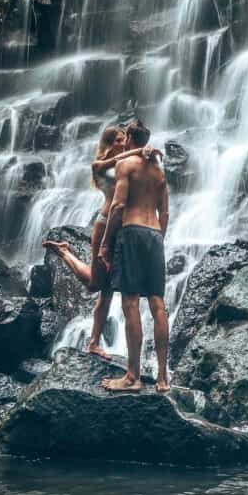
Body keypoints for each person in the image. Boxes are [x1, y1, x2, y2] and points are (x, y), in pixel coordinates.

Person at [42, 125, 158, 357]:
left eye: (124, 138)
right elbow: (109, 168)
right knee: (94, 284)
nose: (122, 142)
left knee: (106, 290)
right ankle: (65, 252)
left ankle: (94, 342)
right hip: (104, 225)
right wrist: (141, 150)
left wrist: (145, 153)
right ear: (108, 143)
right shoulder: (101, 166)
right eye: (117, 139)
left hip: (125, 229)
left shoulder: (127, 164)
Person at [99, 118, 170, 393]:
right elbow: (164, 213)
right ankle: (163, 378)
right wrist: (158, 239)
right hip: (154, 235)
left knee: (130, 304)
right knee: (157, 304)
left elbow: (117, 206)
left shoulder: (125, 165)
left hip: (131, 232)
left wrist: (106, 242)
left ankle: (132, 376)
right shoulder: (159, 172)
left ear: (129, 138)